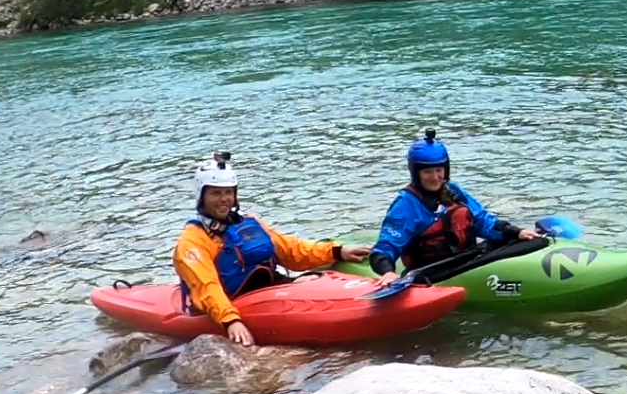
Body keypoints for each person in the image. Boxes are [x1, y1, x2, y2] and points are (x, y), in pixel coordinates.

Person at [173, 153, 369, 347]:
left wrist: (336, 252)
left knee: (310, 279)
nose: (224, 199)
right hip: (232, 302)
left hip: (266, 289)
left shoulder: (248, 222)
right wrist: (230, 320)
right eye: (216, 193)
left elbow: (290, 250)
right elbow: (207, 286)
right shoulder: (192, 241)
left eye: (228, 192)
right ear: (202, 196)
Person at [368, 129, 532, 276]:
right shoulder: (405, 204)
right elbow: (385, 248)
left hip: (468, 261)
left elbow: (483, 221)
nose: (435, 177)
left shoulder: (453, 191)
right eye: (427, 172)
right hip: (432, 273)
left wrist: (516, 232)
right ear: (416, 173)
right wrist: (387, 273)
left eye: (439, 170)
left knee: (522, 242)